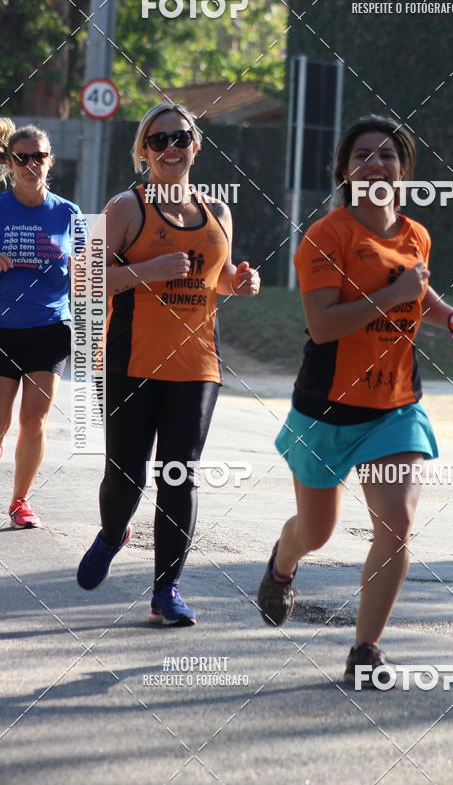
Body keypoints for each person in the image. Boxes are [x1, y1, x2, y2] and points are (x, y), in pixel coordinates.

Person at [257, 114, 453, 686]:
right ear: (345, 170)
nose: (376, 164)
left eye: (388, 155)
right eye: (363, 155)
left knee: (397, 523)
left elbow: (420, 290)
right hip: (326, 410)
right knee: (317, 533)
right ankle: (283, 565)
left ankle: (366, 649)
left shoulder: (415, 234)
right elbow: (323, 325)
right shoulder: (326, 237)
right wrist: (393, 296)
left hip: (395, 407)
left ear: (403, 170)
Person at [76, 102, 260, 626]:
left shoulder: (218, 213)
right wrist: (147, 269)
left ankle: (166, 592)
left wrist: (240, 284)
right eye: (158, 141)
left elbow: (216, 280)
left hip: (197, 364)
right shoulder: (125, 209)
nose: (170, 148)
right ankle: (113, 533)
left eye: (180, 138)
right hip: (130, 362)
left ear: (195, 146)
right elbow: (85, 278)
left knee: (180, 474)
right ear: (143, 151)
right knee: (126, 476)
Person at [0, 119, 81, 528]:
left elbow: (91, 273)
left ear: (50, 161)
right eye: (23, 157)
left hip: (49, 327)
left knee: (34, 420)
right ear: (10, 162)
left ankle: (20, 502)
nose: (32, 164)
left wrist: (78, 268)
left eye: (40, 156)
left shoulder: (69, 213)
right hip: (2, 326)